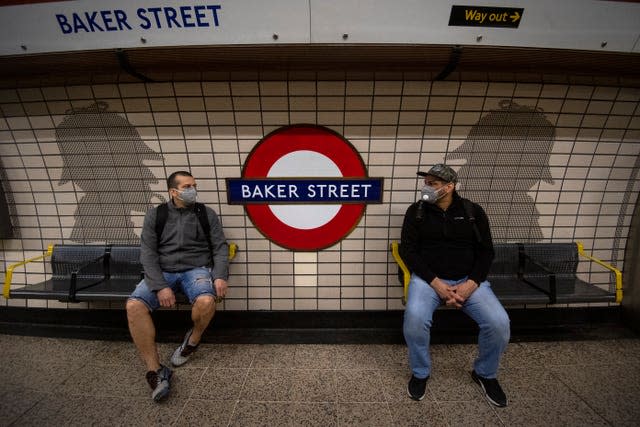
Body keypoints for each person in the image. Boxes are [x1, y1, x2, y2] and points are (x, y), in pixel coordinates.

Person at [400, 163, 510, 407]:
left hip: (469, 281)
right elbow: (408, 251)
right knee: (415, 319)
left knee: (499, 323)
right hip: (428, 280)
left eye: (433, 183)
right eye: (426, 182)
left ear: (449, 187)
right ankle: (420, 373)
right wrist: (436, 283)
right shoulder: (415, 212)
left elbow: (486, 252)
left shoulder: (473, 212)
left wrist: (471, 284)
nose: (426, 187)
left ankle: (484, 373)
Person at [126, 171, 229, 402]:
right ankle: (156, 371)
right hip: (163, 271)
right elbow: (148, 253)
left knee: (206, 302)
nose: (193, 189)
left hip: (197, 270)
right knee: (134, 306)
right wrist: (160, 285)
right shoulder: (156, 216)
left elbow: (220, 247)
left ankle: (192, 341)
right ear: (173, 192)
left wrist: (220, 275)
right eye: (187, 186)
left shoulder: (206, 214)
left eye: (194, 185)